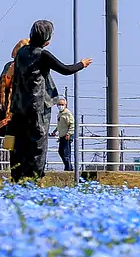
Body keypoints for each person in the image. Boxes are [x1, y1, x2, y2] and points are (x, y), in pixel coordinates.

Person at [9, 20, 91, 182]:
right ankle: (34, 177)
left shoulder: (21, 53)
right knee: (38, 142)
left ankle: (17, 177)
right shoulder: (42, 55)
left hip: (18, 106)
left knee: (19, 142)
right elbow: (66, 69)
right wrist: (82, 64)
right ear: (46, 40)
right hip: (37, 106)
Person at [54, 95, 75, 172]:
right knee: (61, 152)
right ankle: (69, 167)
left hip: (67, 135)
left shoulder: (67, 113)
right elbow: (60, 124)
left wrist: (69, 134)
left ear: (65, 105)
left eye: (62, 104)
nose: (60, 106)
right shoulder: (60, 113)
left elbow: (72, 124)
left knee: (66, 153)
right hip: (62, 135)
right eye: (59, 104)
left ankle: (68, 169)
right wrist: (55, 130)